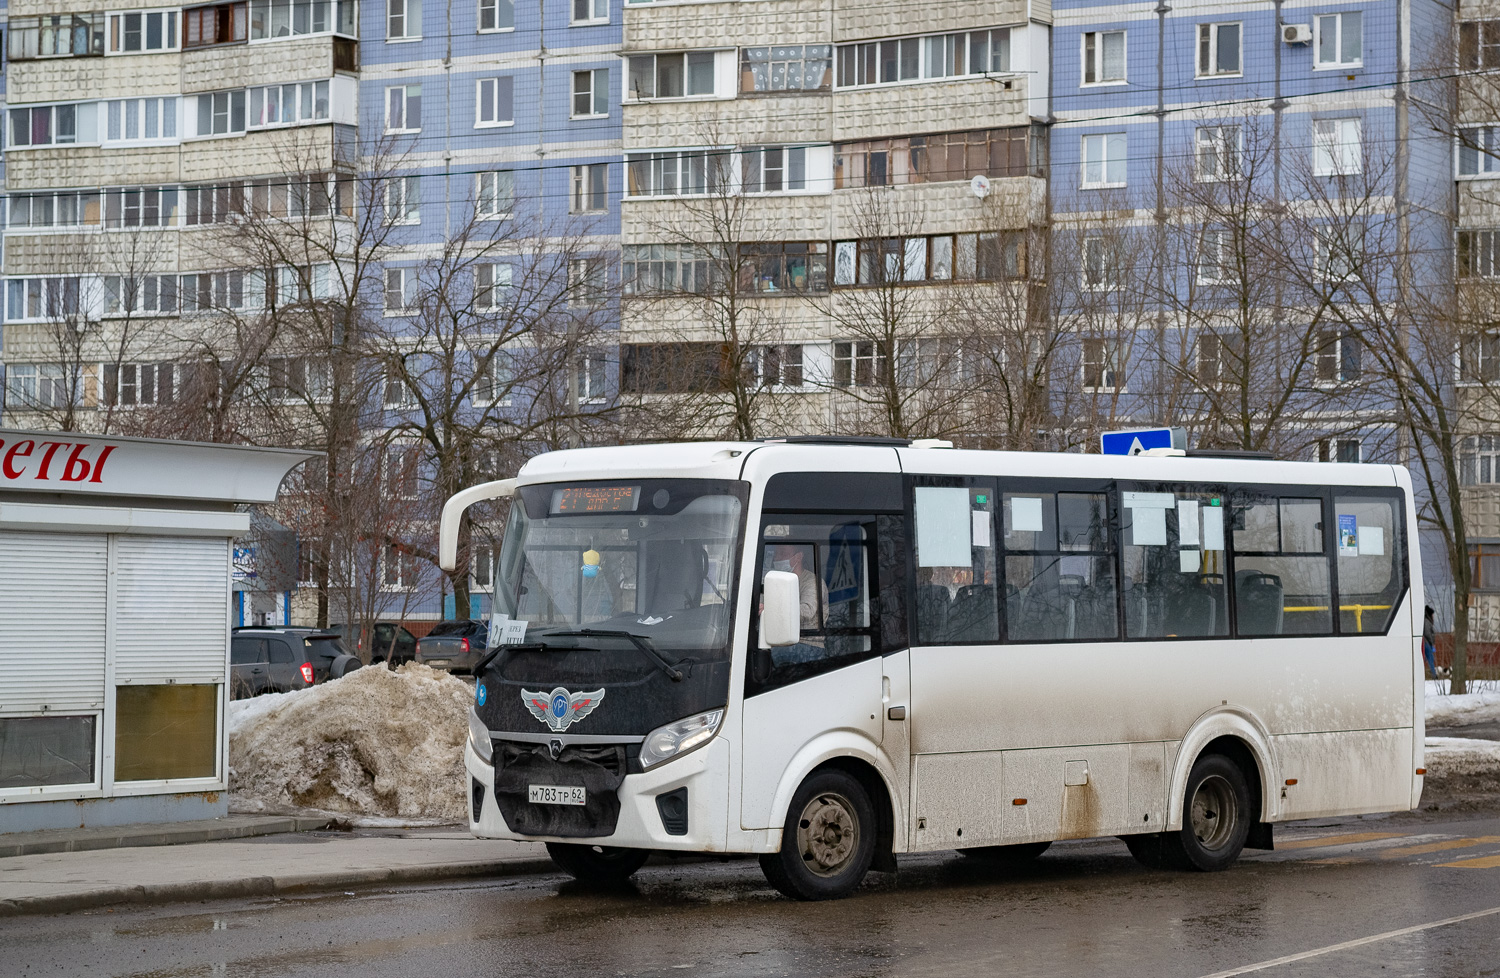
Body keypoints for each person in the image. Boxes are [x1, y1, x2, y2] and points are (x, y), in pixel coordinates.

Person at [1422, 605, 1439, 680]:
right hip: (1426, 642)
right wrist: (1432, 643)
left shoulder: (1425, 621)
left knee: (1425, 658)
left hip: (1425, 642)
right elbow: (1428, 633)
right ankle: (1434, 675)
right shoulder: (1427, 621)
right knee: (1430, 658)